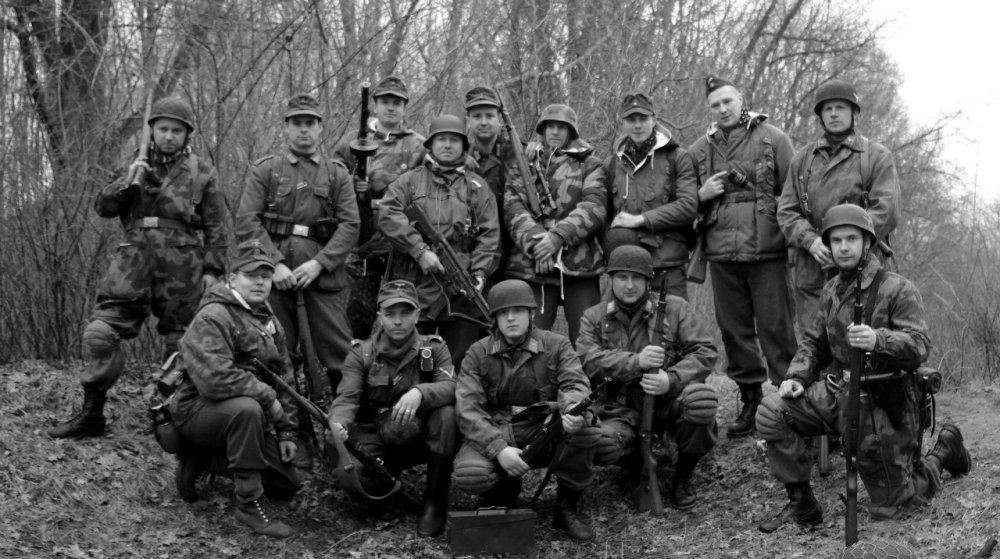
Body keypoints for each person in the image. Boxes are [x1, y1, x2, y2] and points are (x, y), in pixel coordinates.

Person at [755, 204, 971, 532]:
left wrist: (878, 340)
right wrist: (797, 376)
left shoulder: (896, 288)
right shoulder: (831, 290)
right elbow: (813, 343)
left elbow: (920, 345)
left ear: (867, 242)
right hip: (838, 392)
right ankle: (802, 504)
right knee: (773, 412)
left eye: (851, 239)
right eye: (836, 240)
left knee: (895, 507)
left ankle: (944, 452)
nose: (843, 247)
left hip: (882, 402)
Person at [48, 96, 227, 439]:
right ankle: (91, 415)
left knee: (182, 343)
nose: (169, 136)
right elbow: (103, 208)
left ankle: (174, 417)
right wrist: (127, 181)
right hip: (133, 262)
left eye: (176, 130)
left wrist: (213, 271)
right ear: (152, 131)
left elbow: (217, 227)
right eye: (163, 129)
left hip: (183, 265)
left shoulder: (202, 171)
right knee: (100, 333)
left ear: (187, 134)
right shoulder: (134, 165)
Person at [687, 76, 797, 438]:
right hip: (721, 254)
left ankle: (788, 401)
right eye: (715, 105)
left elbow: (795, 192)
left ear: (741, 100)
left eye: (727, 102)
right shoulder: (698, 150)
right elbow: (681, 200)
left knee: (776, 329)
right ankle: (750, 400)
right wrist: (701, 195)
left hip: (767, 252)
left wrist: (794, 242)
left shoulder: (774, 139)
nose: (722, 110)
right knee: (734, 333)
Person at [170, 240, 300, 538]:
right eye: (250, 275)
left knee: (287, 483)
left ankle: (206, 459)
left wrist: (287, 431)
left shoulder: (267, 318)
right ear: (232, 278)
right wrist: (267, 398)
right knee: (247, 409)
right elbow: (215, 379)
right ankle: (248, 503)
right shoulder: (214, 315)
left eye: (265, 276)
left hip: (244, 413)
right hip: (196, 409)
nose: (259, 282)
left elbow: (285, 377)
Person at [452, 279, 600, 541]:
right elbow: (468, 410)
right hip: (498, 429)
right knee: (471, 473)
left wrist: (572, 408)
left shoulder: (557, 345)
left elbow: (574, 382)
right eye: (503, 313)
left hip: (543, 427)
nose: (511, 318)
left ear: (531, 313)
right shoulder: (477, 353)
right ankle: (501, 494)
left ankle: (566, 506)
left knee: (584, 432)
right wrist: (499, 449)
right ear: (495, 318)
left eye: (518, 310)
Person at [237, 93, 360, 402]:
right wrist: (273, 264)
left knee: (339, 352)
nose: (304, 130)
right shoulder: (266, 170)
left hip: (322, 276)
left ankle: (348, 418)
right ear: (287, 128)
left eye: (310, 123)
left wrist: (320, 263)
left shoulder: (337, 173)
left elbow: (350, 225)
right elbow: (247, 221)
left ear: (320, 128)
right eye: (297, 123)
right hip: (274, 279)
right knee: (273, 351)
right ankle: (283, 418)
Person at [576, 246, 718, 510]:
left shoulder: (675, 308)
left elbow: (705, 351)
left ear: (648, 280)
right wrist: (636, 362)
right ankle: (634, 464)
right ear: (610, 279)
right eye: (622, 277)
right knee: (603, 444)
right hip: (620, 408)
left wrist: (671, 380)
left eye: (637, 278)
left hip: (666, 402)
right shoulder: (593, 317)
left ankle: (683, 474)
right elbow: (587, 360)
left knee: (701, 402)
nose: (630, 285)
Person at [328, 279, 457, 538]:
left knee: (447, 415)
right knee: (350, 476)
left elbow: (451, 386)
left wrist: (419, 392)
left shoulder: (433, 348)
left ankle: (434, 501)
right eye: (390, 313)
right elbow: (347, 398)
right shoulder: (362, 354)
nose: (398, 321)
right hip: (377, 435)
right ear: (380, 316)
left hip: (421, 435)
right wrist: (338, 422)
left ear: (417, 315)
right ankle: (385, 488)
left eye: (405, 313)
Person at [378, 114, 500, 375]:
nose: (447, 145)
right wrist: (419, 250)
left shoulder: (477, 187)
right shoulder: (409, 181)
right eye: (441, 139)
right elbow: (388, 214)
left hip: (460, 288)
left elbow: (490, 235)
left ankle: (454, 397)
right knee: (411, 359)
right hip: (416, 285)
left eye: (454, 140)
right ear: (431, 145)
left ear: (463, 146)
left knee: (461, 360)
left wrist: (480, 273)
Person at [777, 79, 900, 336]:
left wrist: (849, 242)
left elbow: (886, 210)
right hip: (813, 268)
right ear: (820, 116)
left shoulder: (876, 157)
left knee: (865, 339)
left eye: (840, 107)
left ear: (854, 113)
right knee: (813, 340)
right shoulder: (802, 160)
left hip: (864, 268)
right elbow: (787, 211)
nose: (834, 113)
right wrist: (811, 241)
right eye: (828, 108)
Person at [333, 76, 426, 339]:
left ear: (405, 107)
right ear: (375, 105)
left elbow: (429, 186)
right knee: (358, 315)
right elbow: (332, 179)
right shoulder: (352, 141)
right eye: (385, 101)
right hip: (361, 242)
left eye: (397, 103)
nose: (391, 107)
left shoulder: (418, 145)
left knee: (400, 311)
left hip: (400, 243)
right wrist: (352, 184)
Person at [504, 103, 606, 344]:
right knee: (530, 341)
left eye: (562, 127)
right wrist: (539, 246)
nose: (555, 132)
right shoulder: (525, 163)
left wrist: (556, 238)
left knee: (587, 339)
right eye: (550, 126)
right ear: (542, 130)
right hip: (531, 266)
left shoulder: (590, 164)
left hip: (579, 266)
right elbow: (513, 208)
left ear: (571, 131)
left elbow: (594, 206)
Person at [604, 92, 698, 299]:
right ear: (622, 123)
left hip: (667, 266)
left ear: (654, 120)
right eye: (631, 120)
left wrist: (641, 220)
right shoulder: (611, 164)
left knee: (671, 319)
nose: (638, 125)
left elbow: (688, 206)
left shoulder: (678, 158)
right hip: (625, 269)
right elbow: (604, 215)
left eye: (643, 119)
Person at [463, 86, 517, 286]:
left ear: (499, 119)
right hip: (475, 250)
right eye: (477, 116)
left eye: (489, 115)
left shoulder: (519, 154)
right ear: (468, 120)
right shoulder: (457, 156)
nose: (483, 122)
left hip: (514, 251)